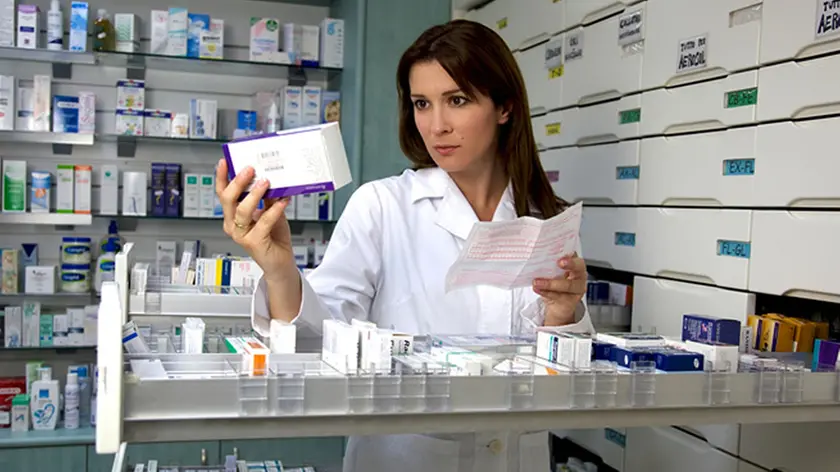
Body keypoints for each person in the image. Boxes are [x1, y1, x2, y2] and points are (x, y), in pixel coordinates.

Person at [216, 19, 594, 472]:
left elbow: (566, 381)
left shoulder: (546, 216)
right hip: (404, 457)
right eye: (422, 103)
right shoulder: (382, 207)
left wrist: (562, 316)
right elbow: (318, 343)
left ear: (505, 107)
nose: (436, 126)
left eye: (456, 100)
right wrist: (280, 271)